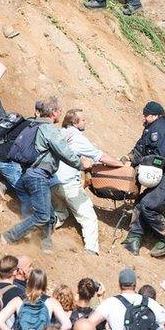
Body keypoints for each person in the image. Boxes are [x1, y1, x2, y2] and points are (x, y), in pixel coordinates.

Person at [0, 97, 93, 253]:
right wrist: (82, 164)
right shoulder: (48, 129)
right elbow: (64, 152)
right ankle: (9, 236)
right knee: (42, 215)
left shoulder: (34, 124)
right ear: (54, 112)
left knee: (48, 213)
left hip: (28, 174)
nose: (61, 112)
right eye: (59, 110)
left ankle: (45, 245)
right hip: (38, 176)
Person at [51, 108, 122, 255]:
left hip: (51, 182)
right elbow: (100, 156)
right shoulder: (78, 139)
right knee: (88, 217)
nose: (85, 122)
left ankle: (41, 228)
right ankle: (91, 251)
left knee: (61, 211)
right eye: (83, 120)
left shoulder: (59, 133)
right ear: (75, 122)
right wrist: (120, 165)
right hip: (68, 184)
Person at [122, 101, 165, 257]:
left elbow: (159, 157)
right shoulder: (152, 127)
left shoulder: (161, 128)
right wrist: (128, 157)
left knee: (148, 205)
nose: (144, 117)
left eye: (147, 114)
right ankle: (134, 238)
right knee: (141, 202)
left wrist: (138, 162)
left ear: (155, 115)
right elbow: (140, 148)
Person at [88, 267, 165, 330]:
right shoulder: (150, 302)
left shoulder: (110, 302)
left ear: (119, 285)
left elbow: (87, 324)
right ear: (135, 284)